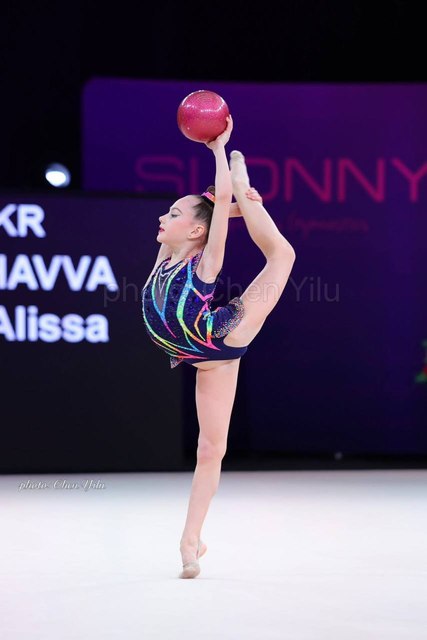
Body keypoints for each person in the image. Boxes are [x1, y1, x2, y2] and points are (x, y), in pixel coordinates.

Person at [141, 115, 296, 578]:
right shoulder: (165, 257)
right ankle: (192, 540)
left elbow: (216, 215)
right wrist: (231, 205)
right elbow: (214, 212)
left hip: (222, 334)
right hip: (205, 361)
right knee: (210, 450)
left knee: (283, 255)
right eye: (168, 211)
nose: (162, 217)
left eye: (173, 214)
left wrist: (219, 151)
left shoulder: (205, 261)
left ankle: (243, 188)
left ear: (194, 232)